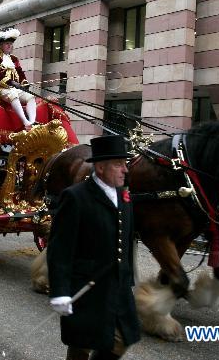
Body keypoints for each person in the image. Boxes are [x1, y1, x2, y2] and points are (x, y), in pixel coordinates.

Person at [47, 135, 140, 360]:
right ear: (100, 167)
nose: (125, 170)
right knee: (82, 345)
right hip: (86, 288)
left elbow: (126, 240)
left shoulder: (124, 196)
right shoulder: (76, 197)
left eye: (125, 164)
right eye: (118, 164)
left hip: (117, 286)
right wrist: (60, 292)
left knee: (123, 338)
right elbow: (60, 250)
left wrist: (128, 278)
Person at [0, 28, 38, 130]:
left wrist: (24, 84)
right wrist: (11, 82)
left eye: (11, 44)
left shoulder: (14, 59)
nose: (10, 46)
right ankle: (25, 122)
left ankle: (32, 121)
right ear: (0, 45)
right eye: (7, 43)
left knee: (31, 96)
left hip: (14, 87)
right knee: (13, 95)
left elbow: (20, 73)